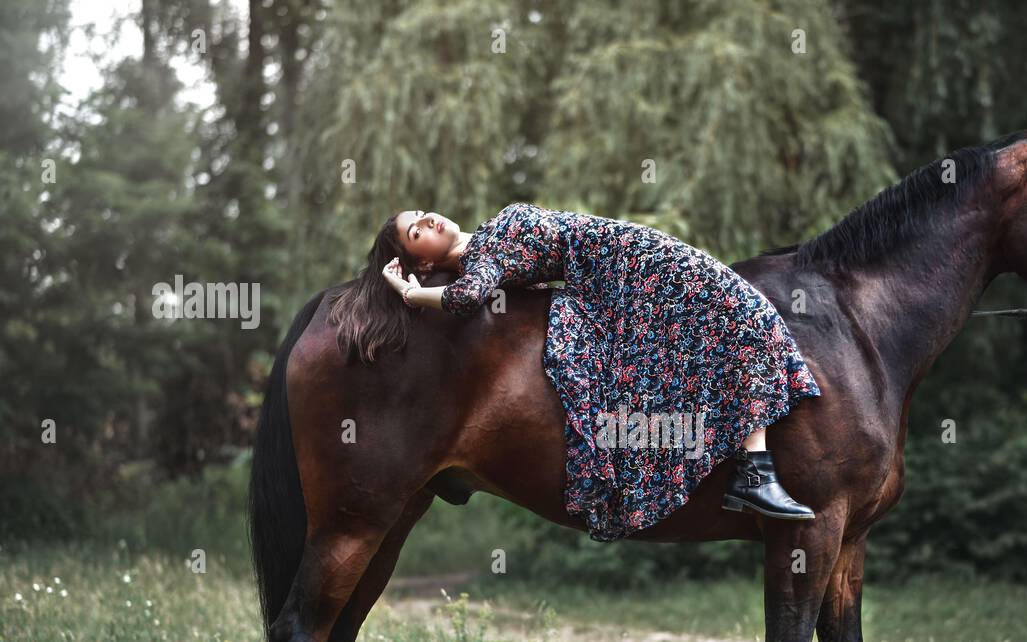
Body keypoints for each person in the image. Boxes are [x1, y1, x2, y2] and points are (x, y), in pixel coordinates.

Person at [332, 202, 820, 540]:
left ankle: (754, 471)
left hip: (636, 256)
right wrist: (411, 293)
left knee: (740, 319)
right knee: (744, 314)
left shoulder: (485, 236)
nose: (428, 219)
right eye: (416, 231)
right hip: (629, 270)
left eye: (420, 213)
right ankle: (755, 474)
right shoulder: (483, 259)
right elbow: (465, 298)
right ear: (420, 258)